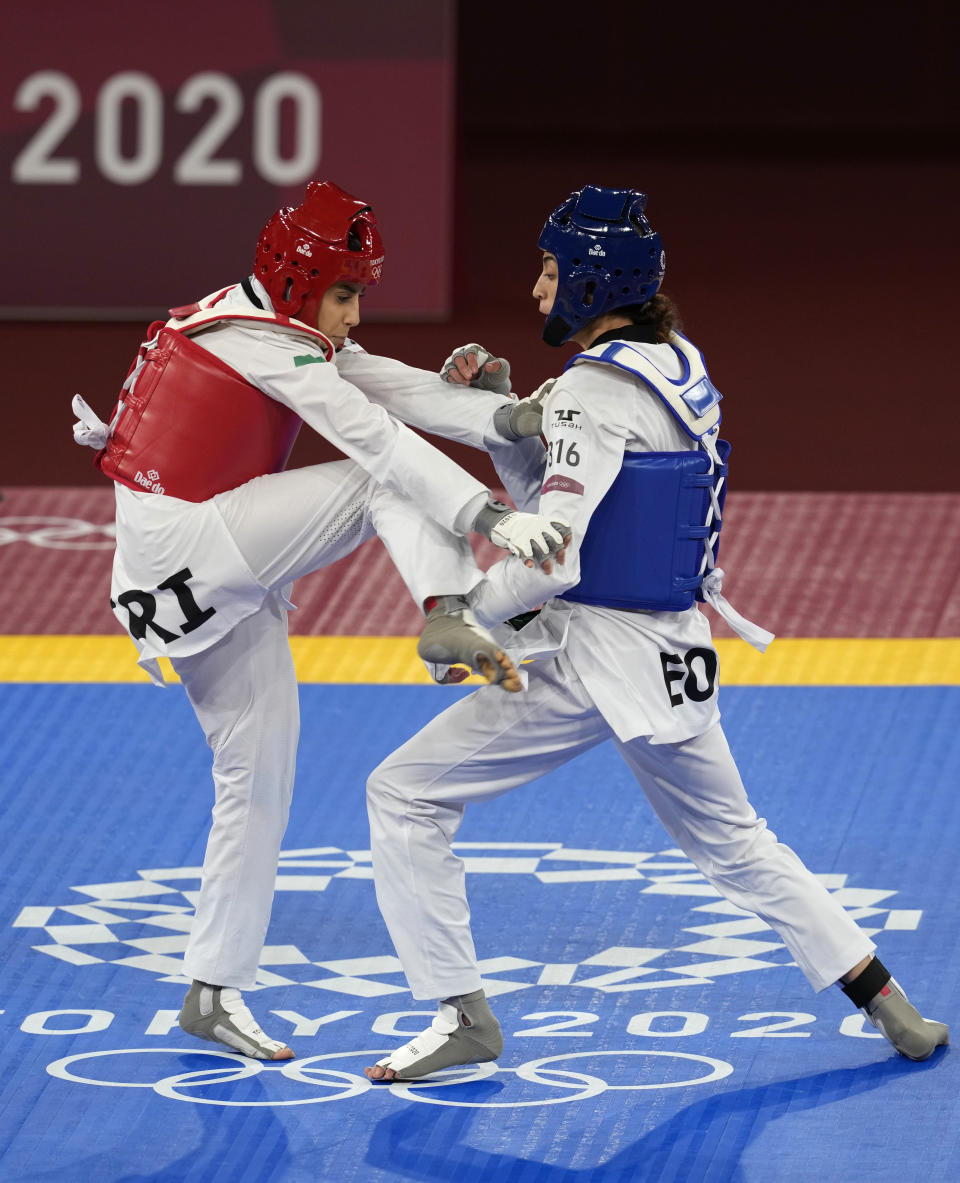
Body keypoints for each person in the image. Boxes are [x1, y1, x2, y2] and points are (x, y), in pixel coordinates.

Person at [365, 184, 949, 1082]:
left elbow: (552, 553)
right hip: (675, 647)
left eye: (551, 272)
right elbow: (598, 501)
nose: (534, 291)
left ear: (594, 287)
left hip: (588, 653)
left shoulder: (589, 394)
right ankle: (888, 1000)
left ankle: (461, 1013)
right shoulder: (676, 360)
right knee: (740, 843)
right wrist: (507, 415)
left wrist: (462, 615)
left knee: (402, 795)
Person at [71, 180, 571, 1060]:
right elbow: (378, 436)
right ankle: (449, 613)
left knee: (255, 776)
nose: (352, 313)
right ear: (301, 285)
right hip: (197, 545)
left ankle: (211, 989)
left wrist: (508, 415)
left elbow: (391, 386)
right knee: (384, 475)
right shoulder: (267, 345)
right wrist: (487, 519)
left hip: (179, 578)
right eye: (345, 294)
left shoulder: (262, 326)